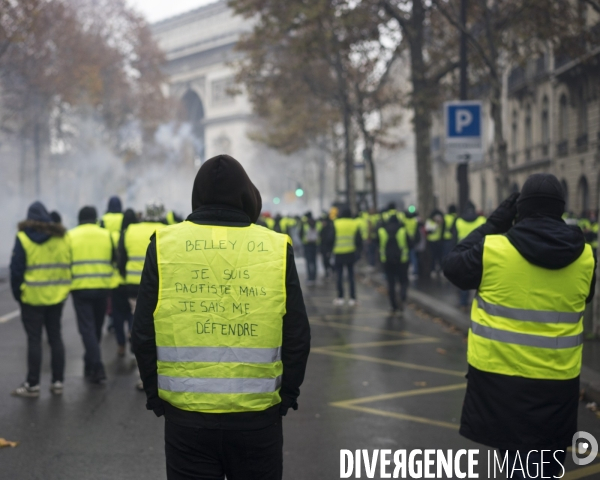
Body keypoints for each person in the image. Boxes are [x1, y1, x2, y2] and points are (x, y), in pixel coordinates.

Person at [131, 154, 311, 480]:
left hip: (187, 418)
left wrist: (156, 395)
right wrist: (287, 396)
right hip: (258, 419)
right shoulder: (275, 246)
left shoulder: (165, 243)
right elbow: (297, 333)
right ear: (247, 195)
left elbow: (142, 330)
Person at [443, 174, 596, 480]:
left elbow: (453, 265)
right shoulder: (584, 255)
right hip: (557, 385)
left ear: (520, 209)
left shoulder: (493, 250)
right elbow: (586, 296)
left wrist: (494, 223)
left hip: (500, 384)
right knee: (546, 467)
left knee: (515, 465)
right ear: (560, 210)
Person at [9, 201, 71, 397]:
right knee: (56, 338)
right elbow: (69, 262)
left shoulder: (23, 238)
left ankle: (33, 385)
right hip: (57, 297)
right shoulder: (62, 237)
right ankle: (58, 382)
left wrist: (19, 294)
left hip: (31, 299)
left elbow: (16, 271)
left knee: (34, 340)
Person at [69, 206, 114, 383]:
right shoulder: (106, 234)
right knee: (96, 327)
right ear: (95, 218)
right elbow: (113, 259)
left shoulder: (71, 235)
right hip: (103, 287)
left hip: (80, 288)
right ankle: (90, 362)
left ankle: (96, 365)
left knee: (87, 329)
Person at [112, 208, 138, 357]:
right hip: (131, 283)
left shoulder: (118, 235)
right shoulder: (133, 235)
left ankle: (120, 344)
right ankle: (131, 334)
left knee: (118, 315)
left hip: (117, 283)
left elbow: (119, 260)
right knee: (132, 313)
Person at [452, 201, 486, 309]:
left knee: (464, 277)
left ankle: (463, 303)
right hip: (481, 253)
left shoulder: (458, 221)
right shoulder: (482, 220)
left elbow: (453, 239)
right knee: (482, 279)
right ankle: (481, 304)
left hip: (463, 253)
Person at [378, 214, 410, 315]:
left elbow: (377, 243)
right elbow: (412, 243)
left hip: (387, 261)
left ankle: (393, 306)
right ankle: (402, 296)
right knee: (403, 281)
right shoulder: (403, 230)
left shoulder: (382, 231)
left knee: (391, 284)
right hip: (402, 261)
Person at [333, 207, 362, 306]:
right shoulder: (354, 224)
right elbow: (359, 240)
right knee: (351, 276)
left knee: (339, 276)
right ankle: (352, 298)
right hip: (351, 253)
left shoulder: (336, 223)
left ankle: (340, 297)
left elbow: (330, 238)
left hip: (338, 253)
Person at [302, 214, 319, 284]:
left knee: (309, 262)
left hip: (307, 245)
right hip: (315, 245)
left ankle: (310, 277)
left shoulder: (305, 226)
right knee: (314, 262)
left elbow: (301, 234)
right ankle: (314, 277)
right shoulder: (317, 225)